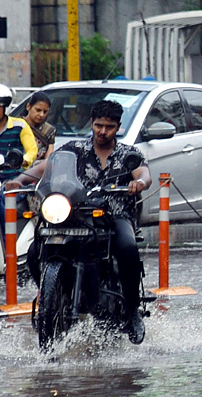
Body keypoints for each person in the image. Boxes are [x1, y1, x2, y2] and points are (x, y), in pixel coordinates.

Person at [73, 99, 152, 343]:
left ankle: (132, 311)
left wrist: (139, 183)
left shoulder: (129, 154)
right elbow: (48, 167)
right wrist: (23, 180)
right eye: (98, 125)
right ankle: (52, 299)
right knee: (38, 248)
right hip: (80, 216)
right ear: (91, 124)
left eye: (108, 126)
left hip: (116, 215)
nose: (102, 131)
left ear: (118, 127)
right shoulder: (75, 149)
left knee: (127, 248)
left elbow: (144, 173)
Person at [24, 91, 56, 163]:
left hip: (38, 171)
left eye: (45, 112)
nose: (41, 115)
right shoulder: (17, 126)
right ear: (28, 107)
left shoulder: (49, 131)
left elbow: (48, 160)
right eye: (38, 110)